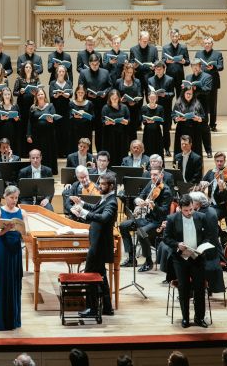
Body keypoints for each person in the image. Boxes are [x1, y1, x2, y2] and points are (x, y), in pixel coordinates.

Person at [70, 172, 118, 318]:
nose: (99, 186)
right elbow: (96, 209)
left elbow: (103, 218)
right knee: (101, 276)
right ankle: (107, 308)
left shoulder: (112, 202)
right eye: (100, 183)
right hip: (98, 245)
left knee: (90, 276)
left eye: (103, 184)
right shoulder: (106, 198)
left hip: (98, 247)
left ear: (111, 186)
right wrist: (82, 203)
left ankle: (92, 309)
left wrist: (83, 213)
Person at [163, 194, 215, 328]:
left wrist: (202, 247)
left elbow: (208, 236)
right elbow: (166, 238)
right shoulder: (172, 218)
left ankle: (199, 318)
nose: (189, 212)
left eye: (191, 209)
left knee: (199, 288)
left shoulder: (201, 217)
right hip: (180, 259)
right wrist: (177, 245)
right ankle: (185, 318)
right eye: (186, 210)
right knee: (184, 288)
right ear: (180, 208)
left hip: (197, 257)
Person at [0, 185, 27, 331]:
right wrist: (7, 228)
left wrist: (21, 229)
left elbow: (26, 232)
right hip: (3, 249)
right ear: (5, 197)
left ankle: (13, 321)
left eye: (16, 198)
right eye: (11, 197)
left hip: (16, 250)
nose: (14, 200)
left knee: (14, 283)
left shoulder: (22, 212)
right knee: (0, 282)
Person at [120, 166, 172, 271]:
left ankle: (148, 261)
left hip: (158, 222)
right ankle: (131, 258)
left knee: (141, 233)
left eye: (155, 175)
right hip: (147, 219)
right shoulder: (150, 185)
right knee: (123, 226)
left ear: (161, 175)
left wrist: (153, 206)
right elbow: (140, 196)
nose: (153, 177)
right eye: (151, 175)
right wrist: (138, 201)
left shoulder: (166, 191)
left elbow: (163, 212)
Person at [79, 53, 111, 151]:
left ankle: (100, 152)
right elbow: (80, 87)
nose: (95, 66)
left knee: (100, 130)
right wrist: (87, 93)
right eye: (93, 64)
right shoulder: (84, 73)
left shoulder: (105, 72)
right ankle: (86, 152)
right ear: (89, 63)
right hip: (88, 105)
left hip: (101, 105)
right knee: (87, 129)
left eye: (97, 64)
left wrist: (105, 92)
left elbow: (110, 86)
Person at [201, 152, 227, 238]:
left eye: (221, 161)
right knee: (199, 215)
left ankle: (215, 237)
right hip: (210, 205)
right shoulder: (210, 172)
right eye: (217, 161)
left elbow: (225, 197)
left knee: (209, 217)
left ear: (224, 161)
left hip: (221, 207)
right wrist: (203, 184)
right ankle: (221, 233)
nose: (219, 163)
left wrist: (221, 189)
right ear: (214, 161)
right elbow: (201, 183)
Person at [184, 59, 213, 157]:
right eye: (193, 66)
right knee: (191, 129)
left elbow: (208, 90)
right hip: (190, 106)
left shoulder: (207, 76)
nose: (195, 68)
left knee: (204, 129)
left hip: (202, 106)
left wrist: (197, 88)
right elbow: (186, 91)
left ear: (200, 66)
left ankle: (208, 151)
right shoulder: (188, 77)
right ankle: (192, 150)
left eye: (197, 66)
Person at [195, 37, 224, 132]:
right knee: (201, 103)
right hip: (201, 81)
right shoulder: (198, 53)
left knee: (212, 104)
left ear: (212, 44)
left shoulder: (218, 54)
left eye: (209, 43)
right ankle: (202, 123)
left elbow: (221, 67)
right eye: (205, 43)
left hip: (213, 82)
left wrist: (214, 67)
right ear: (203, 44)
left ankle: (212, 125)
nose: (207, 45)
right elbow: (195, 65)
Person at [26, 88, 59, 170]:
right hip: (37, 135)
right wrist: (28, 135)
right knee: (38, 153)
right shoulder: (33, 107)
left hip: (49, 134)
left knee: (48, 153)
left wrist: (52, 120)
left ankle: (49, 171)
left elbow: (55, 118)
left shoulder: (50, 105)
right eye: (38, 95)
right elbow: (30, 122)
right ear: (36, 96)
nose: (40, 96)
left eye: (42, 94)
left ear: (45, 95)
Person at [13, 61, 41, 157]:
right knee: (22, 127)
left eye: (29, 67)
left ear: (32, 68)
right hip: (22, 106)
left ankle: (32, 152)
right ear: (23, 69)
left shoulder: (36, 79)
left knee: (31, 127)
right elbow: (14, 92)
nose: (28, 69)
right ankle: (22, 152)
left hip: (33, 106)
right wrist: (20, 92)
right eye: (26, 67)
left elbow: (40, 90)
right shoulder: (19, 79)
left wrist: (36, 93)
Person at [149, 61, 175, 157]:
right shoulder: (150, 80)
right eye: (156, 69)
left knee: (166, 130)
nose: (158, 70)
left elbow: (172, 93)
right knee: (155, 129)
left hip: (166, 108)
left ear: (164, 69)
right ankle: (156, 148)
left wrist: (165, 94)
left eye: (160, 69)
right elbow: (148, 93)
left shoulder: (170, 79)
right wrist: (152, 95)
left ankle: (167, 149)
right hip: (154, 108)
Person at [173, 87, 206, 157]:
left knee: (195, 148)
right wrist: (178, 119)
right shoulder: (178, 102)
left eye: (190, 94)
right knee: (181, 149)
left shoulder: (197, 102)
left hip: (195, 129)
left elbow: (203, 117)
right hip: (182, 129)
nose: (188, 95)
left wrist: (198, 118)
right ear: (184, 94)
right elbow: (173, 115)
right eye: (187, 93)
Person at [101, 89, 129, 166]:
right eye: (112, 98)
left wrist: (125, 122)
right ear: (109, 98)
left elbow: (128, 119)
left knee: (121, 152)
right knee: (111, 153)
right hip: (110, 135)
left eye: (116, 98)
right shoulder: (105, 108)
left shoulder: (124, 107)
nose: (114, 100)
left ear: (119, 98)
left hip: (121, 134)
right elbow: (103, 121)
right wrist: (107, 122)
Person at [116, 62, 143, 142]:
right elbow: (115, 94)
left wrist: (134, 101)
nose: (129, 74)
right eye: (128, 72)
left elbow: (139, 94)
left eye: (131, 72)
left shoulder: (137, 81)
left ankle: (133, 150)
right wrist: (119, 100)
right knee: (123, 129)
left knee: (132, 130)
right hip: (122, 109)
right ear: (124, 71)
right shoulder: (118, 81)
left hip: (133, 109)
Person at [50, 64, 73, 157]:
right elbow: (51, 95)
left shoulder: (68, 82)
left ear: (65, 73)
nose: (61, 73)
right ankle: (57, 152)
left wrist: (66, 95)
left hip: (66, 109)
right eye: (59, 71)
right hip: (56, 109)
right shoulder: (52, 83)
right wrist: (55, 95)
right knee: (57, 131)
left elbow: (70, 93)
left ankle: (64, 152)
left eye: (63, 71)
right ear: (57, 72)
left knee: (65, 131)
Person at [0, 88, 22, 156]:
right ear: (2, 95)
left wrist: (17, 119)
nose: (7, 96)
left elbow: (19, 119)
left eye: (8, 94)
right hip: (1, 131)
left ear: (11, 95)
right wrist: (1, 118)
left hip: (12, 131)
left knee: (12, 147)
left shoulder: (15, 106)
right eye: (5, 94)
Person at [162, 29, 190, 98]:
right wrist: (166, 61)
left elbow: (188, 62)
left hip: (180, 76)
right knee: (168, 97)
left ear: (179, 36)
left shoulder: (183, 47)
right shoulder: (165, 48)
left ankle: (179, 109)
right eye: (173, 36)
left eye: (176, 36)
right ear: (170, 36)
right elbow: (162, 61)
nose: (174, 38)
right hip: (169, 76)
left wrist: (184, 61)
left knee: (180, 97)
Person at [68, 83, 95, 153]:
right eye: (79, 92)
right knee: (75, 148)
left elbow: (93, 117)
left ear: (85, 93)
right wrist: (74, 116)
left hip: (86, 129)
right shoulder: (71, 103)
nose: (80, 94)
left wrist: (85, 114)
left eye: (82, 92)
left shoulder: (89, 103)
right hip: (75, 130)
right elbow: (69, 117)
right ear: (76, 93)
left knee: (86, 148)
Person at [140, 88, 166, 158]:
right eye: (151, 97)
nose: (152, 99)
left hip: (157, 132)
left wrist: (158, 120)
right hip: (147, 132)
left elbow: (163, 120)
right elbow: (141, 120)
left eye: (154, 97)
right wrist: (146, 121)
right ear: (148, 98)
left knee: (158, 150)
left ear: (156, 98)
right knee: (148, 150)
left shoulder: (160, 108)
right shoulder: (144, 108)